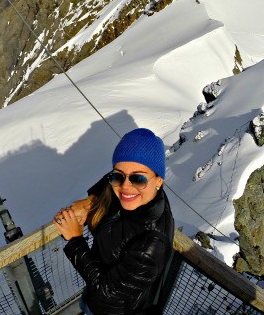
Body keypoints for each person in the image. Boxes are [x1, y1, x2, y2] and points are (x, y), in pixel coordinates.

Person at [54, 128, 175, 315]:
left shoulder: (151, 244)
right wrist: (90, 201)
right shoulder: (144, 197)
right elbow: (109, 181)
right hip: (94, 299)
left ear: (159, 180)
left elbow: (107, 293)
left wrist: (75, 240)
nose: (125, 186)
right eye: (118, 175)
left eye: (139, 178)